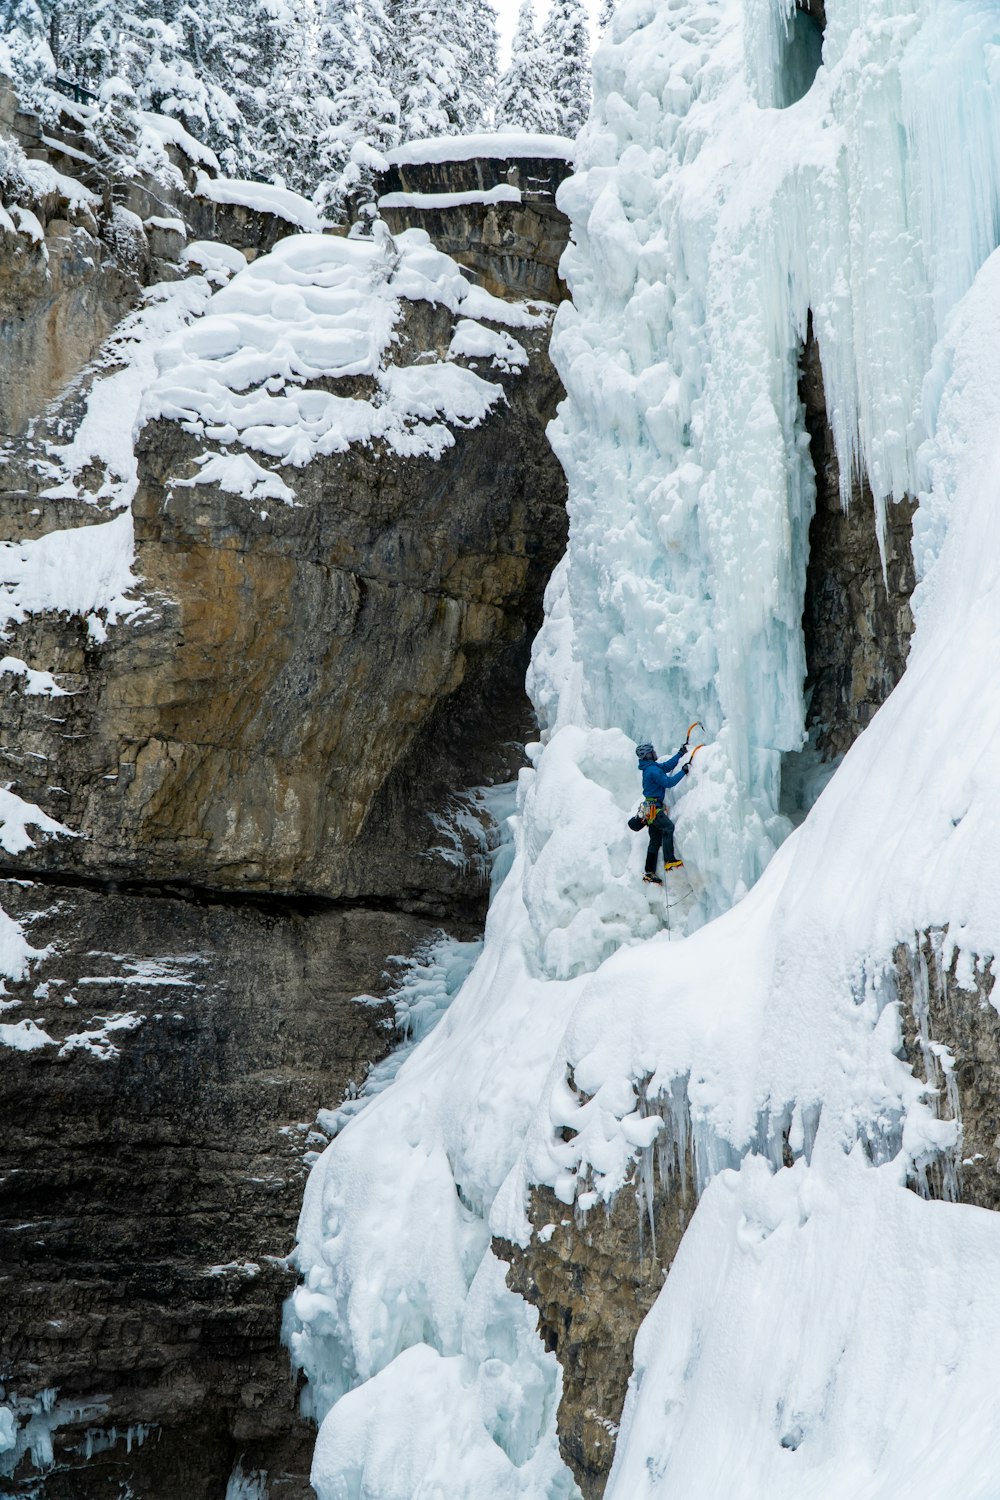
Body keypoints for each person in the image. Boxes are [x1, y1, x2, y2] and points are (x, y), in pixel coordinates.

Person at [635, 741, 689, 885]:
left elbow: (666, 767)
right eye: (652, 751)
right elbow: (669, 782)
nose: (655, 752)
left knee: (654, 841)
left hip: (649, 810)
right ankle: (669, 860)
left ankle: (649, 872)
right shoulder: (652, 770)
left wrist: (680, 754)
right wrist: (683, 772)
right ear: (647, 755)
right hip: (655, 808)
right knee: (668, 827)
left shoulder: (650, 768)